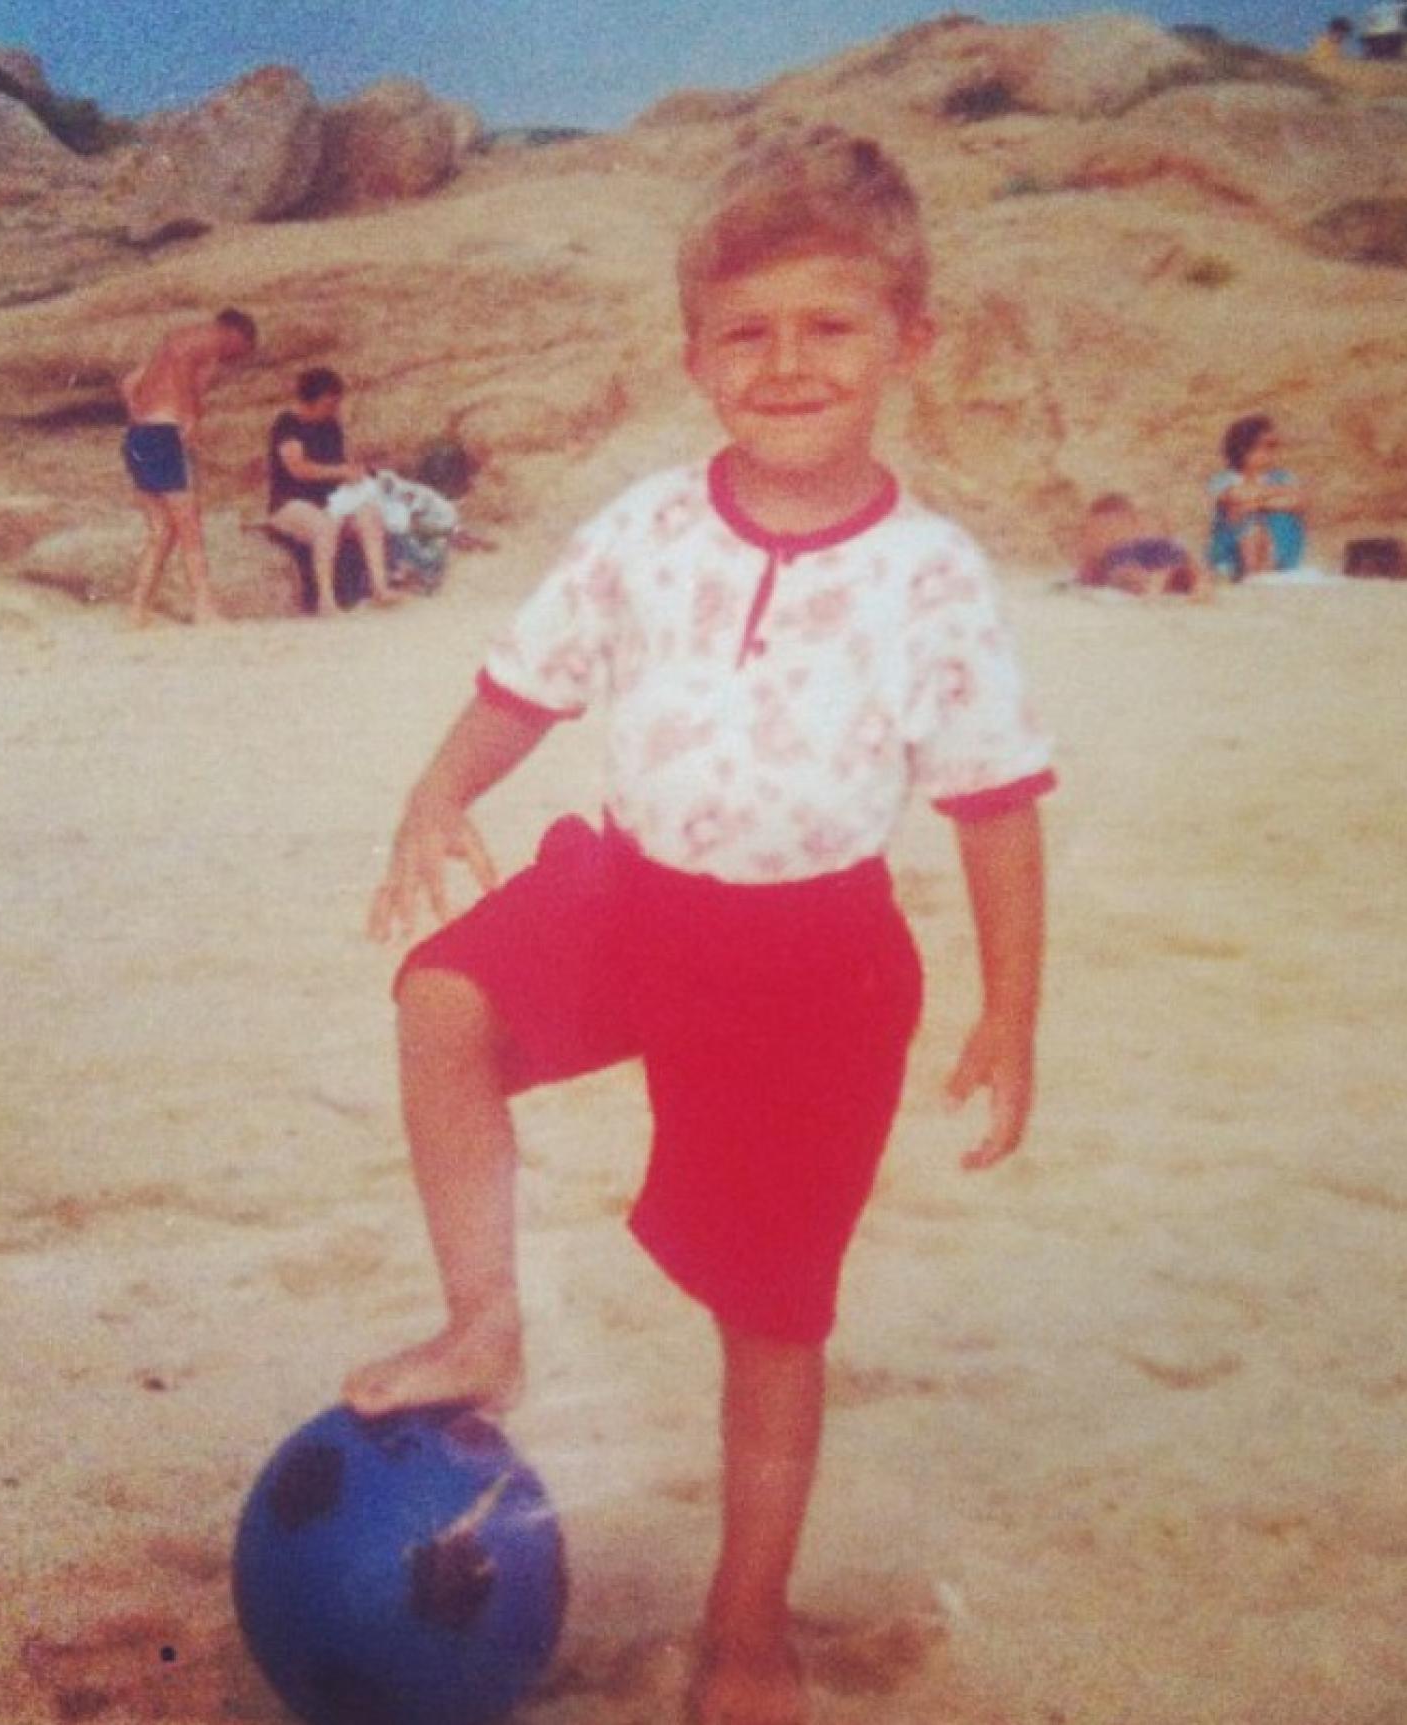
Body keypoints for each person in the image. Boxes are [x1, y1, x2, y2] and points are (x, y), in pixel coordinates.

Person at [344, 126, 1055, 1725]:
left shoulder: (932, 578)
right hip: (629, 898)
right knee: (442, 996)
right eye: (744, 332)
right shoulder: (644, 530)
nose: (785, 363)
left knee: (770, 1312)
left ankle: (746, 1622)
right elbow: (525, 685)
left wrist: (1009, 1013)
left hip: (813, 967)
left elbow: (997, 806)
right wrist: (434, 793)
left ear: (908, 342)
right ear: (692, 357)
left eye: (830, 326)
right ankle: (483, 1321)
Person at [120, 307, 258, 626]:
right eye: (243, 350)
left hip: (140, 436)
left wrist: (139, 415)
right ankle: (203, 609)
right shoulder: (205, 339)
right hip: (165, 435)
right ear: (235, 334)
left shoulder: (170, 345)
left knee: (162, 531)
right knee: (189, 528)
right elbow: (183, 360)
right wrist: (189, 414)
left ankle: (137, 610)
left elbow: (129, 383)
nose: (237, 358)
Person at [266, 368, 398, 615]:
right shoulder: (287, 424)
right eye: (328, 404)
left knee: (369, 514)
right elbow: (298, 469)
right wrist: (340, 472)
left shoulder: (330, 425)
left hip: (327, 500)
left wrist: (356, 477)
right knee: (323, 526)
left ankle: (380, 587)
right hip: (290, 504)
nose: (333, 409)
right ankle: (326, 601)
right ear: (311, 400)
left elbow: (338, 466)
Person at [1207, 414, 1308, 579]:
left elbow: (1297, 501)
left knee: (1281, 517)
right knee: (1245, 519)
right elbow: (1236, 496)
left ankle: (1266, 572)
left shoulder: (1283, 476)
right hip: (1234, 551)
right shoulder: (1223, 478)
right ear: (1244, 448)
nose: (1272, 452)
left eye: (1274, 446)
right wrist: (1277, 494)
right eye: (1267, 446)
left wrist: (1256, 505)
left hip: (1278, 546)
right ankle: (1253, 574)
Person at [1076, 492, 1212, 599]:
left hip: (1161, 570)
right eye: (1100, 533)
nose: (1108, 537)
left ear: (1133, 525)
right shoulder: (1105, 558)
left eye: (1113, 530)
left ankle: (1169, 583)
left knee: (1131, 574)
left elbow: (1185, 562)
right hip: (1161, 571)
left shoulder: (1146, 546)